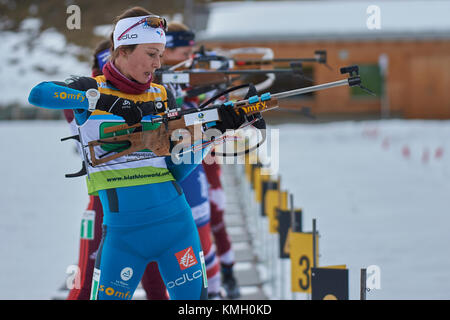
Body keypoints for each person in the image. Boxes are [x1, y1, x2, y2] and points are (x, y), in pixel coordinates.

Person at [29, 6, 248, 300]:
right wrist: (108, 103)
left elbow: (176, 169)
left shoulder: (161, 95)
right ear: (122, 50)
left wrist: (212, 134)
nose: (158, 63)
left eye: (160, 53)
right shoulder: (90, 89)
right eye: (151, 53)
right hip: (123, 238)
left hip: (177, 228)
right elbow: (39, 93)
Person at [64, 38, 168, 300]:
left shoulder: (148, 94)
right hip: (103, 206)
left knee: (156, 285)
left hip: (147, 205)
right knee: (86, 285)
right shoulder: (83, 97)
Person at [162, 22, 241, 299]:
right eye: (185, 52)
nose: (190, 58)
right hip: (171, 168)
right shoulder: (153, 78)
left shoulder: (187, 75)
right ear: (165, 50)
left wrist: (217, 85)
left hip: (204, 161)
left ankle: (224, 279)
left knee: (214, 218)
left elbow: (213, 105)